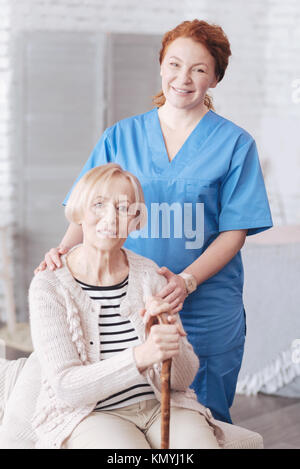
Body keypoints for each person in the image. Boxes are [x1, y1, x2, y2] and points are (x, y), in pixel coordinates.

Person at [35, 19, 273, 424]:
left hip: (206, 306)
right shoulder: (120, 136)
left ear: (215, 78)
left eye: (199, 69)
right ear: (161, 66)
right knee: (129, 409)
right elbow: (87, 204)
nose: (184, 78)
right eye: (175, 64)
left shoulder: (235, 144)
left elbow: (235, 233)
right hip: (132, 303)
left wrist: (187, 281)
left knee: (206, 419)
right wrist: (62, 251)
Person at [2, 164, 224, 449]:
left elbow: (181, 381)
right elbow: (67, 387)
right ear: (79, 212)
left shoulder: (149, 276)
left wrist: (170, 339)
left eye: (123, 208)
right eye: (98, 205)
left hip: (160, 406)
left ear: (135, 219)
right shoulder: (50, 286)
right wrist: (141, 356)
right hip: (93, 414)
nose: (111, 218)